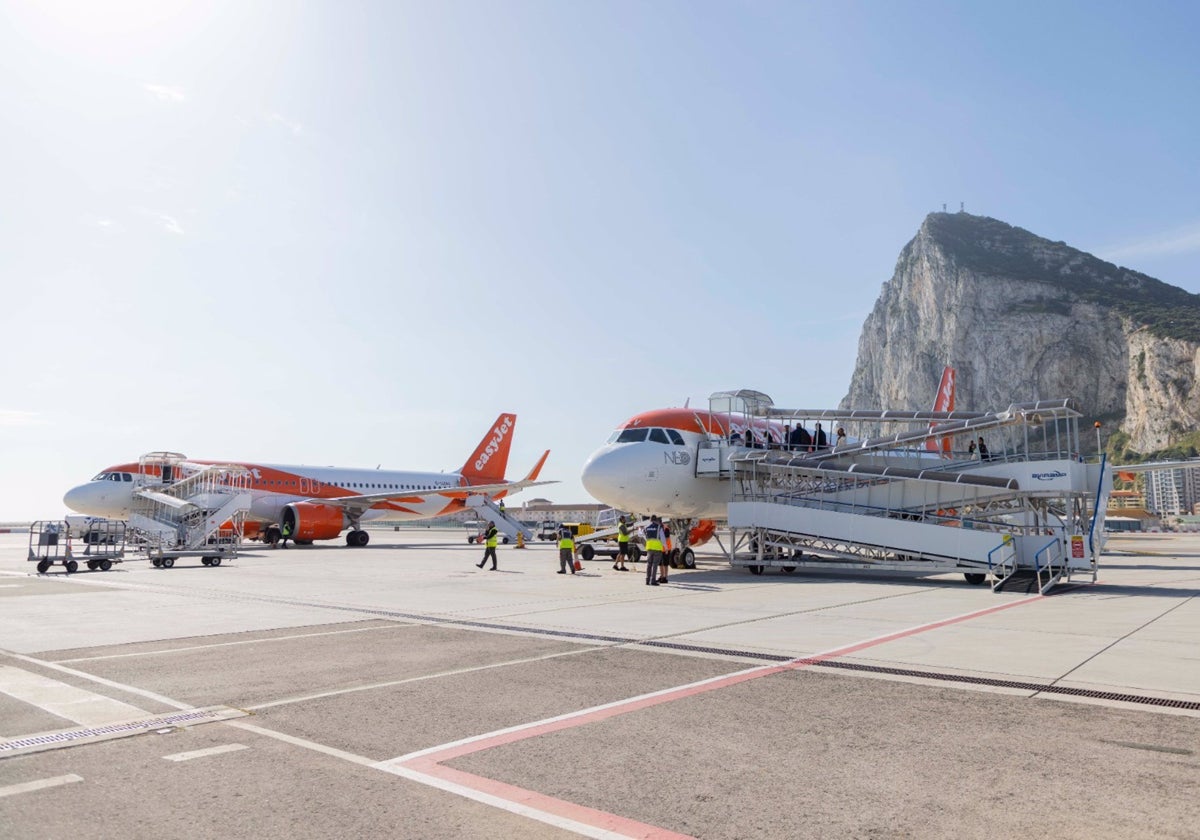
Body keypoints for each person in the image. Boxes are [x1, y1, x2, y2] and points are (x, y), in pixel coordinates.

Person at [643, 515, 665, 585]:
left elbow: (641, 535)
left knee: (649, 564)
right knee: (655, 565)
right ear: (656, 520)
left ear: (650, 520)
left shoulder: (646, 527)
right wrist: (666, 547)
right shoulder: (659, 527)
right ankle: (653, 580)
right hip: (657, 548)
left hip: (649, 548)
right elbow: (663, 539)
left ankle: (647, 580)